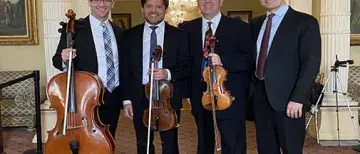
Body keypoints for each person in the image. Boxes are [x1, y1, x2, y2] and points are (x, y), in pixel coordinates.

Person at [179, 0, 254, 153]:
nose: (207, 1)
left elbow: (249, 59)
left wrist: (223, 61)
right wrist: (187, 92)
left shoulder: (240, 27)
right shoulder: (186, 28)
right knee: (204, 144)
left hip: (229, 95)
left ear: (221, 1)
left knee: (233, 145)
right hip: (201, 95)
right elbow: (184, 62)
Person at [249, 0, 321, 153]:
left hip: (289, 100)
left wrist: (298, 98)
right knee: (265, 149)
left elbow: (311, 63)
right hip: (260, 98)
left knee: (291, 149)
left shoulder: (305, 22)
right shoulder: (255, 24)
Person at [119, 0, 190, 153]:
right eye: (149, 6)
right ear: (142, 9)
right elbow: (125, 70)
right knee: (143, 144)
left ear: (166, 9)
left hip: (168, 98)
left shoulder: (180, 35)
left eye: (159, 7)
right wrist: (126, 100)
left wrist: (167, 73)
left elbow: (186, 66)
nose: (154, 11)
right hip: (139, 95)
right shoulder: (129, 35)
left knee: (170, 145)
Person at [52, 0, 124, 138]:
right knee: (85, 138)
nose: (102, 4)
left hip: (112, 95)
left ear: (112, 3)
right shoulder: (74, 28)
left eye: (107, 0)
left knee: (109, 138)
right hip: (86, 96)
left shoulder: (119, 32)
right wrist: (63, 58)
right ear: (90, 3)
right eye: (97, 0)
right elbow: (56, 60)